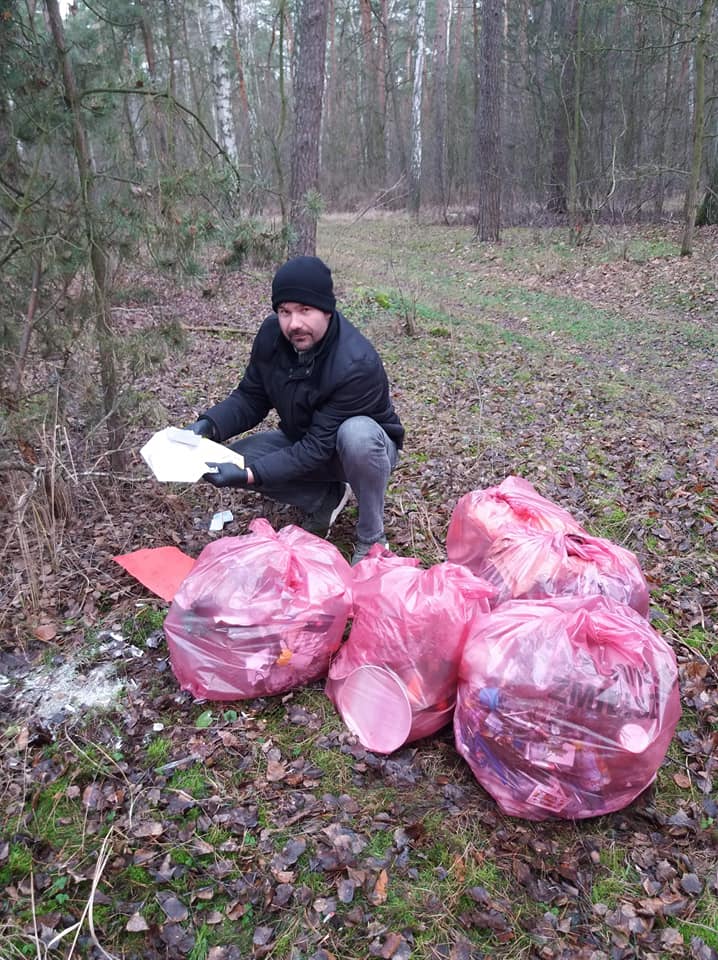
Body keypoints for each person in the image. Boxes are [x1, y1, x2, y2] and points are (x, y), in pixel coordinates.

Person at [185, 255, 404, 564]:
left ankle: (371, 540)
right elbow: (251, 397)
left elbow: (316, 449)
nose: (294, 324)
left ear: (327, 311)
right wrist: (207, 427)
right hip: (303, 437)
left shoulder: (356, 363)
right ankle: (325, 498)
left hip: (363, 452)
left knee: (357, 435)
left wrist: (251, 476)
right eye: (284, 311)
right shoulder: (271, 337)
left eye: (305, 310)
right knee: (234, 459)